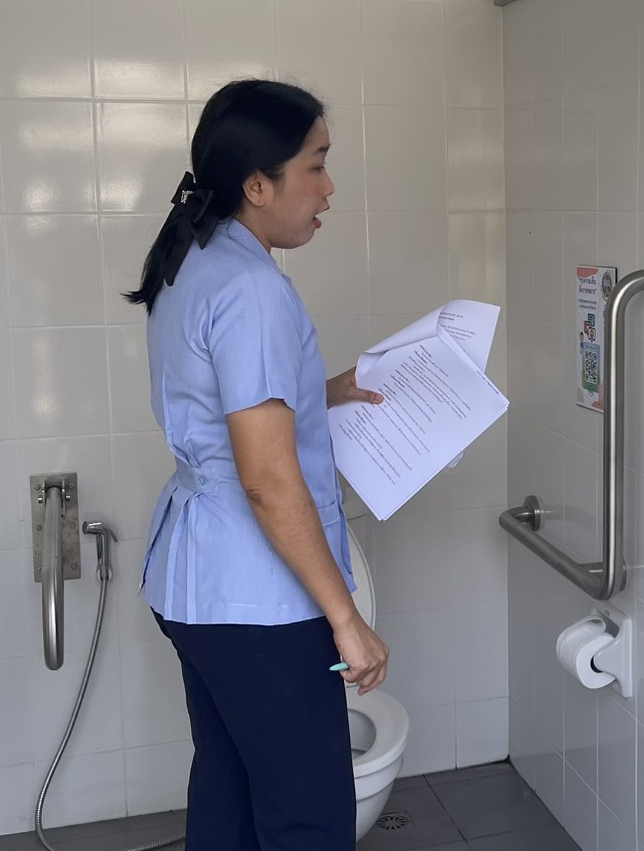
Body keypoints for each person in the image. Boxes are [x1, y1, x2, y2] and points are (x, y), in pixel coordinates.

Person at [126, 79, 388, 850]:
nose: (328, 188)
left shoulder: (195, 258)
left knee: (230, 792)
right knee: (307, 818)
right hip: (259, 600)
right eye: (317, 165)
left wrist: (322, 391)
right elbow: (269, 483)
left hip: (198, 583)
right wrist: (347, 621)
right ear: (257, 184)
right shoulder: (253, 289)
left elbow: (216, 403)